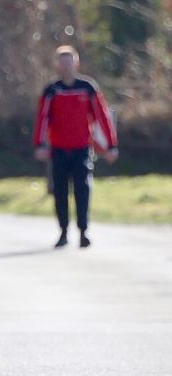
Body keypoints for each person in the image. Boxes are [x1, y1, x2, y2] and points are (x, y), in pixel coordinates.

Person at [33, 45, 119, 248]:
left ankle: (83, 231)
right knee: (60, 191)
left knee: (83, 189)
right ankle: (63, 231)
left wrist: (111, 145)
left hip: (82, 149)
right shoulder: (52, 91)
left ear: (76, 63)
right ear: (57, 65)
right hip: (58, 150)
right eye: (62, 63)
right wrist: (39, 145)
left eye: (69, 62)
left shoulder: (88, 87)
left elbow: (102, 117)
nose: (66, 67)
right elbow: (42, 119)